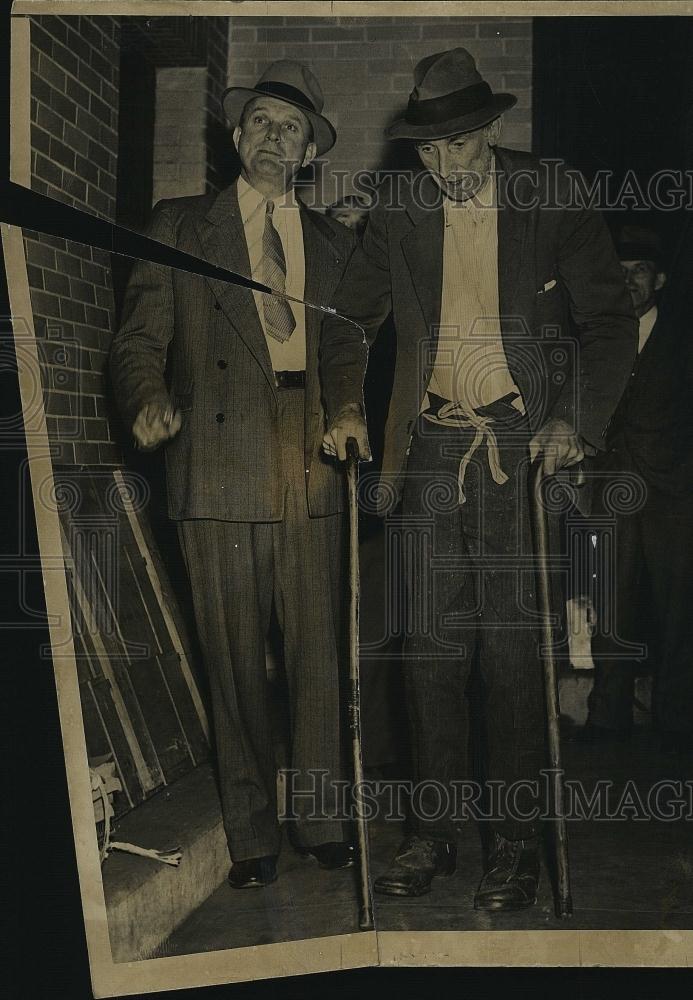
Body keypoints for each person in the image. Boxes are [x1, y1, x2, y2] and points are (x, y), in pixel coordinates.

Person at [320, 47, 637, 910]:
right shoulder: (400, 206)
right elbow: (347, 321)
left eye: (459, 146)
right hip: (425, 447)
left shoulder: (551, 191)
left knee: (506, 656)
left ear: (492, 131)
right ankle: (431, 836)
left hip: (520, 446)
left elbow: (610, 321)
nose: (443, 166)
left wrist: (577, 420)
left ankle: (512, 843)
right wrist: (346, 404)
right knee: (427, 651)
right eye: (428, 150)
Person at [110, 61, 359, 889]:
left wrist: (346, 412)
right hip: (213, 460)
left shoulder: (333, 243)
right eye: (259, 121)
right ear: (235, 135)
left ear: (308, 152)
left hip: (307, 458)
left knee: (317, 659)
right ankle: (251, 836)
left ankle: (322, 819)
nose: (271, 138)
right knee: (232, 659)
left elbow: (343, 346)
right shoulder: (180, 225)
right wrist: (147, 400)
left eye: (290, 128)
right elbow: (140, 342)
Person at [582, 226, 693, 753]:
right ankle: (608, 716)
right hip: (611, 490)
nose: (629, 282)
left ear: (662, 280)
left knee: (678, 607)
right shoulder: (601, 335)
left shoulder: (683, 338)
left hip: (675, 493)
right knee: (611, 604)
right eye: (621, 273)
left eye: (640, 272)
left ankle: (675, 719)